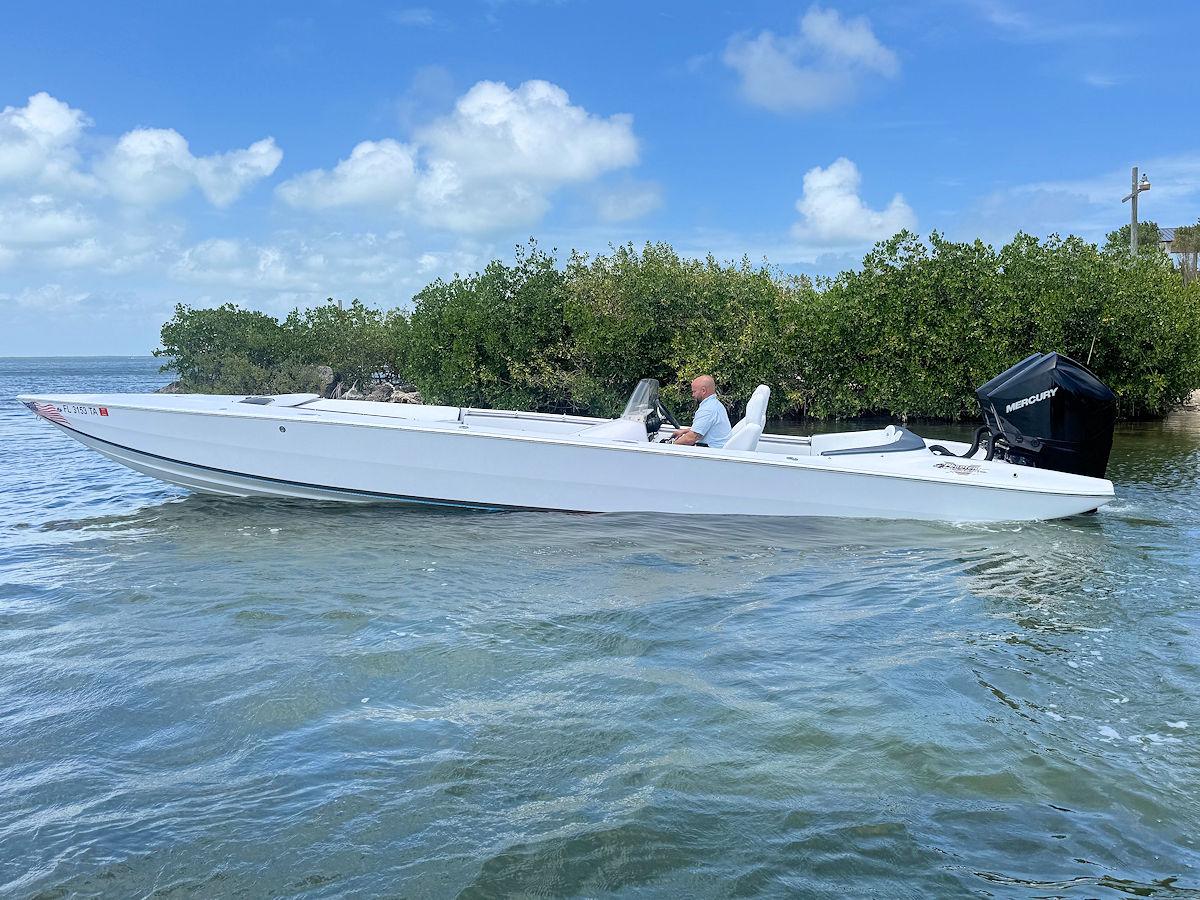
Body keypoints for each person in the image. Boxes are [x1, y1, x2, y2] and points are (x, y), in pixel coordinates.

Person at [673, 375, 732, 448]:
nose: (692, 395)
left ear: (703, 391)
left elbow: (690, 439)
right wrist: (684, 431)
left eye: (694, 391)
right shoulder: (715, 404)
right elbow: (701, 428)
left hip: (712, 453)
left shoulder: (708, 409)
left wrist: (671, 445)